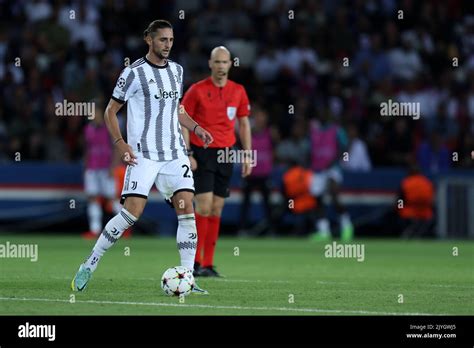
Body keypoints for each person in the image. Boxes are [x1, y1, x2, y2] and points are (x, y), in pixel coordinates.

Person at [71, 20, 213, 294]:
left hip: (174, 153)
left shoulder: (177, 70)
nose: (167, 45)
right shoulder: (133, 73)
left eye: (170, 40)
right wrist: (120, 143)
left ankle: (188, 277)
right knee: (130, 214)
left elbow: (177, 109)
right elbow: (111, 111)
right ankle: (90, 262)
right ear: (149, 39)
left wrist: (196, 128)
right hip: (144, 155)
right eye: (162, 40)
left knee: (187, 210)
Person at [181, 46, 252, 277]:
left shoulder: (238, 91)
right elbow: (182, 119)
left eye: (225, 62)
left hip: (226, 152)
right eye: (217, 62)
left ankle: (208, 265)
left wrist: (248, 154)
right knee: (203, 205)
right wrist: (187, 152)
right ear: (210, 64)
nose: (221, 66)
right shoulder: (197, 90)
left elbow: (243, 123)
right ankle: (195, 262)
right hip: (202, 152)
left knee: (217, 208)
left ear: (231, 64)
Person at [309, 108, 354, 242]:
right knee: (317, 199)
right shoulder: (314, 131)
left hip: (333, 168)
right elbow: (311, 149)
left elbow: (345, 146)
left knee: (333, 194)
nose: (322, 116)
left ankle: (347, 226)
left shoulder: (337, 130)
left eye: (325, 114)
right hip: (317, 169)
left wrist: (336, 160)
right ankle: (324, 231)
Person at [82, 104, 122, 240]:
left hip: (106, 168)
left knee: (112, 198)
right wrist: (86, 167)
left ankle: (124, 229)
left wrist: (113, 167)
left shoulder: (109, 128)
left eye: (96, 113)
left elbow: (116, 148)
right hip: (92, 168)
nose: (94, 115)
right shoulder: (88, 129)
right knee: (92, 197)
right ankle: (95, 230)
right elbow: (87, 149)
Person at [397, 163, 434, 238]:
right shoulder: (427, 182)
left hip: (409, 212)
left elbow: (400, 199)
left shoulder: (406, 182)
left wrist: (398, 209)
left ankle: (408, 234)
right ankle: (417, 234)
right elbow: (432, 200)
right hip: (425, 213)